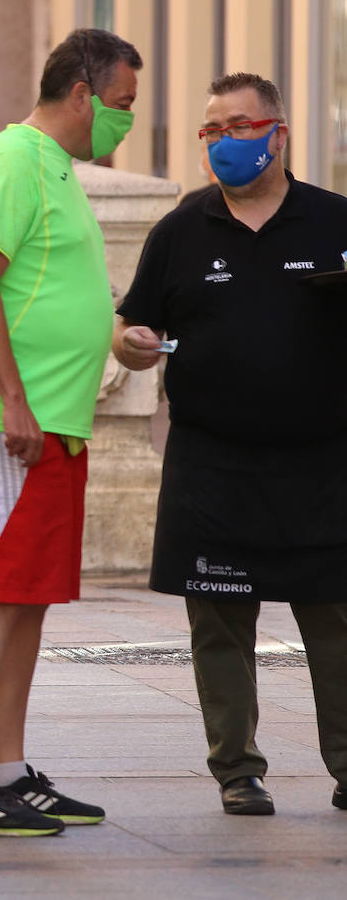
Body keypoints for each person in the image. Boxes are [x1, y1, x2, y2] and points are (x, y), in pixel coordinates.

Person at [114, 72, 347, 817]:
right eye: (211, 130)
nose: (223, 142)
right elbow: (130, 327)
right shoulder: (181, 230)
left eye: (238, 127)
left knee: (336, 621)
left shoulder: (335, 221)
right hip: (211, 463)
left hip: (322, 461)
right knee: (218, 622)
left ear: (278, 134)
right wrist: (132, 343)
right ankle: (237, 770)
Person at [0, 28, 142, 838]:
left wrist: (117, 338)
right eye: (121, 103)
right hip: (7, 423)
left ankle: (9, 768)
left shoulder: (58, 170)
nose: (125, 120)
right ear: (82, 94)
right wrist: (13, 399)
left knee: (28, 600)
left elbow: (58, 291)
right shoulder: (12, 159)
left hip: (56, 423)